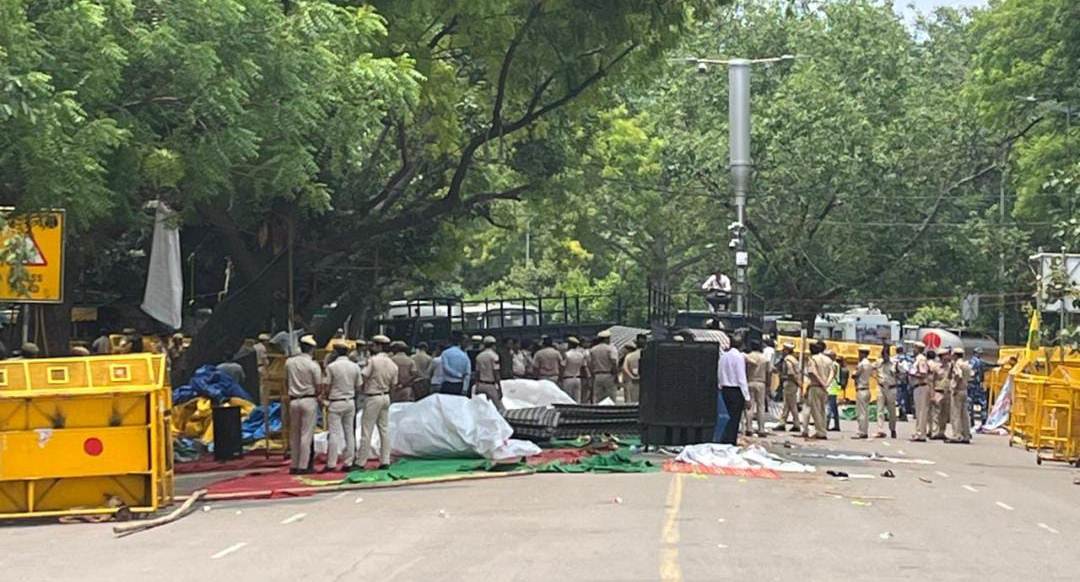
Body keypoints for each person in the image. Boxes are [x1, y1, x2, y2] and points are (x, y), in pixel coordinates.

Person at [286, 335, 322, 475]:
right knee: (306, 435)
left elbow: (285, 381)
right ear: (312, 349)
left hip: (294, 400)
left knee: (294, 434)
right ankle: (304, 465)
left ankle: (294, 464)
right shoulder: (313, 365)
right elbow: (318, 387)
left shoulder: (289, 362)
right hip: (309, 400)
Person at [358, 335, 396, 470]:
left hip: (372, 396)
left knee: (367, 429)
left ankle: (361, 461)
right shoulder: (392, 364)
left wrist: (361, 389)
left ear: (379, 346)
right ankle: (385, 460)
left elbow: (363, 376)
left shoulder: (373, 361)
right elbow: (394, 384)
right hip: (385, 396)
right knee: (384, 429)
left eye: (374, 345)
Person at [323, 342, 361, 472]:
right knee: (349, 433)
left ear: (335, 352)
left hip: (336, 401)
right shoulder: (355, 367)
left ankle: (331, 464)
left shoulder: (332, 367)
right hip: (350, 401)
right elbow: (359, 386)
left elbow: (327, 386)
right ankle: (349, 462)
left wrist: (325, 397)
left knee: (334, 434)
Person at [716, 337, 749, 445]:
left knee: (725, 416)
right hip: (736, 390)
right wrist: (747, 397)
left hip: (724, 389)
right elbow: (741, 378)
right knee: (734, 418)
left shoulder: (723, 356)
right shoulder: (738, 357)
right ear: (741, 345)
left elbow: (719, 373)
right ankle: (730, 440)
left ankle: (723, 438)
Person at [805, 341, 833, 440]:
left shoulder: (813, 359)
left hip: (815, 386)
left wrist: (821, 382)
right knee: (823, 410)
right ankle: (823, 430)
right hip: (824, 388)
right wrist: (827, 384)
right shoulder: (828, 360)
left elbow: (813, 373)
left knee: (816, 410)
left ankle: (820, 432)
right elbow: (832, 373)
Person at [743, 340, 770, 436]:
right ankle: (761, 429)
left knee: (749, 406)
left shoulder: (747, 357)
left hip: (749, 382)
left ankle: (749, 428)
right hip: (761, 383)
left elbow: (744, 370)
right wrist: (768, 385)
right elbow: (768, 372)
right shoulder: (764, 358)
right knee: (761, 406)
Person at [473, 336, 505, 413]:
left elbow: (477, 372)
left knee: (480, 408)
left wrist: (476, 385)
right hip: (490, 385)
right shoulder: (494, 356)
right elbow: (496, 372)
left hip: (480, 384)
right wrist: (499, 388)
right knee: (500, 409)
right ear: (493, 345)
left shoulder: (479, 356)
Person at [776, 343, 803, 433]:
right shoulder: (794, 359)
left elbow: (791, 373)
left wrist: (797, 382)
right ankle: (782, 423)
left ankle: (796, 424)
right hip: (792, 384)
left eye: (784, 349)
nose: (783, 351)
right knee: (787, 405)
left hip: (790, 383)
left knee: (792, 405)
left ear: (787, 350)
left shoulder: (788, 360)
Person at [948, 347, 973, 444]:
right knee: (964, 414)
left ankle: (957, 435)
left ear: (955, 355)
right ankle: (966, 434)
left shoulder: (957, 364)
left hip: (958, 390)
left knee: (956, 414)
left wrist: (954, 386)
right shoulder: (966, 364)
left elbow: (958, 375)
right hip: (964, 389)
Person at [874, 344, 899, 439]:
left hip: (891, 388)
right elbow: (871, 368)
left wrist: (897, 369)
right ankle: (880, 430)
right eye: (883, 355)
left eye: (886, 355)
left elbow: (902, 372)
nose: (884, 357)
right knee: (879, 410)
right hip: (881, 387)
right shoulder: (879, 362)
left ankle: (892, 429)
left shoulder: (894, 363)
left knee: (892, 411)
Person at [967, 347, 996, 426]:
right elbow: (990, 365)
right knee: (983, 403)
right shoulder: (980, 362)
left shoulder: (969, 362)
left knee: (970, 404)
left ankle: (971, 421)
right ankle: (984, 420)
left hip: (970, 385)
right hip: (977, 385)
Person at [588, 331, 620, 403]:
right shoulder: (610, 349)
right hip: (609, 375)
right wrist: (616, 376)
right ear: (606, 339)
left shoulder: (593, 350)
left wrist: (593, 375)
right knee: (611, 397)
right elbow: (614, 362)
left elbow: (590, 364)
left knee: (598, 398)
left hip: (597, 376)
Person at [910, 342, 931, 442]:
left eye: (914, 348)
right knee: (918, 411)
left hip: (921, 386)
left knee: (922, 411)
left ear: (918, 349)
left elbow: (923, 373)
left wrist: (912, 373)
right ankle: (918, 432)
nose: (913, 350)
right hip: (917, 386)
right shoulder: (918, 358)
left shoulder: (921, 358)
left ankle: (921, 434)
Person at [930, 349, 952, 441]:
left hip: (948, 392)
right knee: (936, 414)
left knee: (945, 414)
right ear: (941, 356)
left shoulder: (950, 367)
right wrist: (932, 395)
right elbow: (932, 381)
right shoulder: (936, 367)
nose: (948, 357)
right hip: (938, 391)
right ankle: (935, 432)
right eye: (946, 355)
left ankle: (942, 432)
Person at [439, 331, 472, 396]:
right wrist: (465, 389)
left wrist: (457, 374)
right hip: (459, 385)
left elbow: (445, 367)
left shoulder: (445, 353)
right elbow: (468, 373)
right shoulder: (465, 356)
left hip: (447, 385)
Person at [852, 348, 874, 439]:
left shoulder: (862, 364)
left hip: (861, 389)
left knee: (861, 413)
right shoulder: (869, 364)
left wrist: (854, 372)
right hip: (866, 389)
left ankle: (862, 432)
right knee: (864, 412)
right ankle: (863, 431)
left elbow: (855, 375)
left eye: (860, 353)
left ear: (863, 354)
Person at [562, 336, 590, 402]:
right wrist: (588, 378)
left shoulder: (567, 354)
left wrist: (560, 378)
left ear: (570, 344)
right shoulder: (580, 355)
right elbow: (584, 367)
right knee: (577, 399)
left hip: (567, 379)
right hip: (578, 379)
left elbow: (563, 366)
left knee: (567, 399)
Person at [825, 351, 845, 432]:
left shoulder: (833, 364)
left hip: (831, 387)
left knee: (829, 407)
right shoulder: (837, 364)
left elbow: (832, 375)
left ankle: (826, 425)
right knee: (834, 408)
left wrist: (826, 384)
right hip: (835, 387)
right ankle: (837, 425)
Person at [894, 344, 913, 421]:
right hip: (905, 381)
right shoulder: (908, 359)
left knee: (898, 399)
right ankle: (903, 414)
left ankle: (899, 414)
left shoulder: (894, 359)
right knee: (904, 398)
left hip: (898, 381)